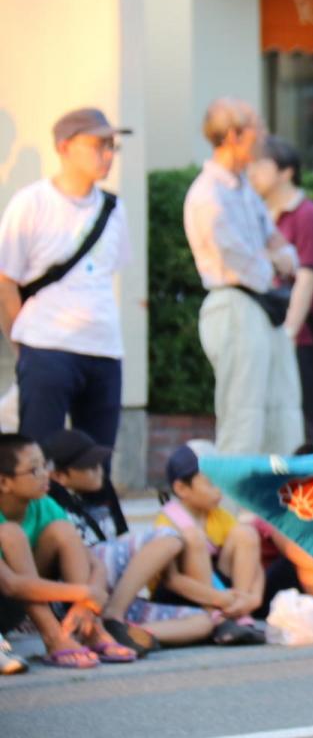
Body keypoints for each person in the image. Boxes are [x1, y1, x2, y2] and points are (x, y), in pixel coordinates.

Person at [0, 107, 134, 538]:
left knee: (97, 460)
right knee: (38, 459)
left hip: (104, 348)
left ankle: (99, 545)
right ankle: (41, 547)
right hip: (46, 346)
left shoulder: (114, 208)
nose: (108, 154)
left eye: (112, 145)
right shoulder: (32, 202)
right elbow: (7, 279)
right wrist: (24, 337)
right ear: (64, 147)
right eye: (98, 144)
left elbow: (108, 273)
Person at [184, 98, 304, 455]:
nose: (264, 135)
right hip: (234, 302)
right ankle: (235, 508)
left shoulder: (244, 189)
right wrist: (276, 259)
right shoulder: (208, 194)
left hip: (264, 305)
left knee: (283, 411)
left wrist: (280, 256)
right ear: (234, 135)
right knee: (243, 415)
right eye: (257, 126)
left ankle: (281, 504)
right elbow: (240, 260)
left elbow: (276, 242)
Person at [43, 429, 212, 649]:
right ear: (59, 476)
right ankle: (114, 616)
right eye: (89, 467)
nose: (99, 470)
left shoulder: (104, 488)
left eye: (99, 463)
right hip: (80, 579)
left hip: (112, 590)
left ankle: (127, 634)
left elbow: (123, 541)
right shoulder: (50, 499)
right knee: (169, 537)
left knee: (202, 621)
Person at [0, 433, 138, 667]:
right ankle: (54, 637)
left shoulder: (43, 503)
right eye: (34, 470)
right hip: (5, 602)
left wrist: (87, 603)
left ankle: (92, 630)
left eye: (45, 465)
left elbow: (95, 564)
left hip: (29, 593)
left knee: (63, 530)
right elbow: (11, 584)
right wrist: (83, 593)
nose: (46, 474)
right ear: (4, 482)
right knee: (11, 534)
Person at [249, 136, 313, 444]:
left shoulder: (307, 215)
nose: (253, 172)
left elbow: (308, 277)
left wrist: (289, 334)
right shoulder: (259, 213)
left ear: (286, 172)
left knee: (309, 424)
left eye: (261, 165)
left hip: (299, 335)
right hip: (268, 330)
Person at [151, 442, 268, 643]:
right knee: (193, 537)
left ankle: (239, 611)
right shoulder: (168, 521)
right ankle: (219, 619)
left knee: (246, 533)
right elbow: (171, 580)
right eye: (210, 483)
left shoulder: (217, 515)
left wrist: (253, 598)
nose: (219, 490)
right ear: (181, 488)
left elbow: (253, 561)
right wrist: (217, 598)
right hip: (180, 594)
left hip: (220, 591)